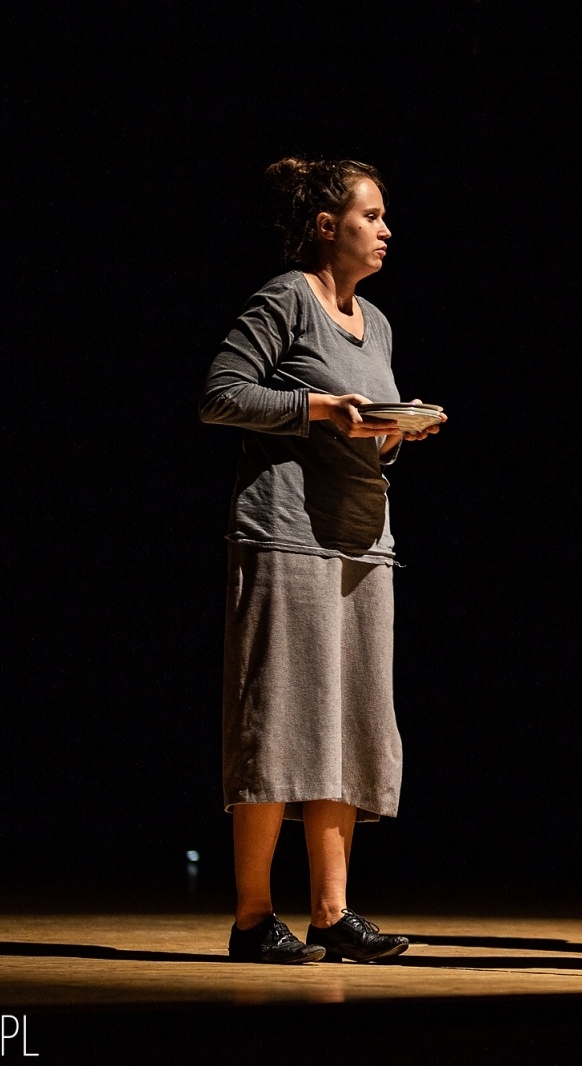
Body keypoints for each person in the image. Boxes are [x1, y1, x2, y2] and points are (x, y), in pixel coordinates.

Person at [199, 157, 442, 965]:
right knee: (279, 721)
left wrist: (392, 430)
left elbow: (363, 427)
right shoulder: (285, 299)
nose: (386, 230)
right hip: (286, 533)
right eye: (372, 216)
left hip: (363, 538)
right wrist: (319, 408)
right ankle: (252, 916)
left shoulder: (379, 323)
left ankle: (333, 913)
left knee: (348, 722)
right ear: (328, 226)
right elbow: (221, 395)